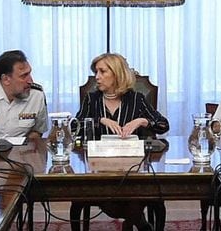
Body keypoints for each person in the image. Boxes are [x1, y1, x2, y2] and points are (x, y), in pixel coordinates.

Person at [72, 53, 169, 231]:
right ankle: (141, 224)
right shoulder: (92, 99)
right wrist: (99, 120)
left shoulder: (136, 99)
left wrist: (142, 121)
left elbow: (163, 125)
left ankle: (136, 222)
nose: (97, 77)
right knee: (115, 195)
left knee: (133, 193)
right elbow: (74, 126)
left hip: (133, 169)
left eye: (102, 71)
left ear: (116, 74)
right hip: (100, 171)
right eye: (96, 72)